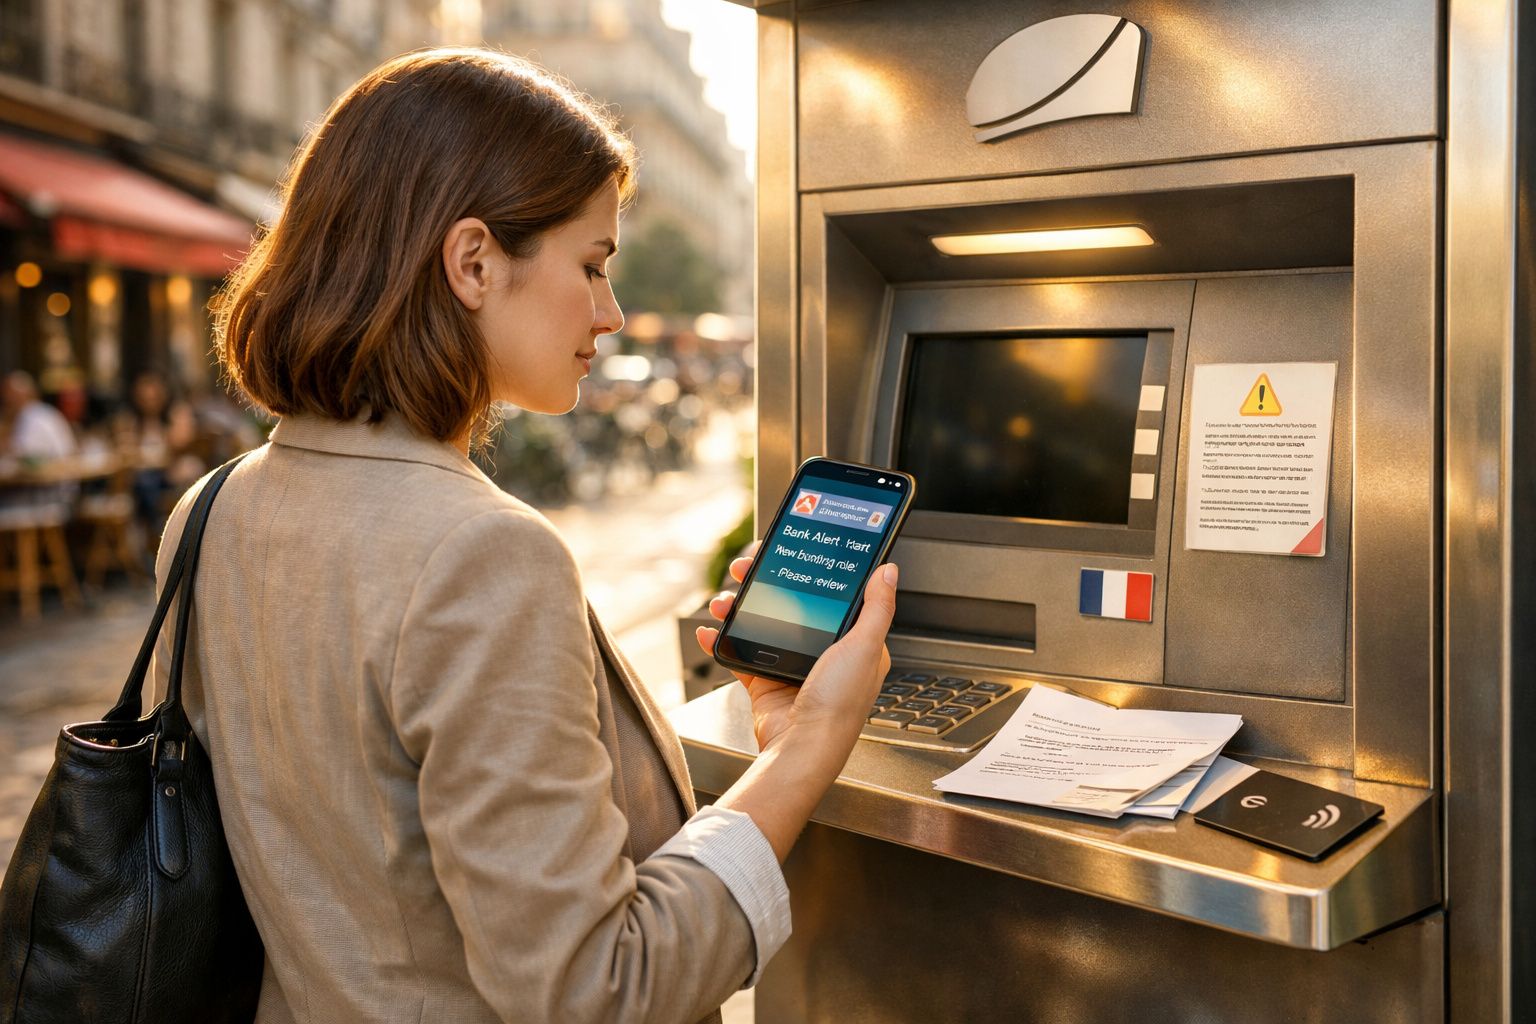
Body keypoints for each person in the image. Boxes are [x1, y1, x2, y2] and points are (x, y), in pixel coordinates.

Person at [149, 48, 896, 1024]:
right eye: (590, 265)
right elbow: (592, 988)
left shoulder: (210, 511)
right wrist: (811, 744)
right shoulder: (478, 556)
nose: (612, 311)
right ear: (472, 262)